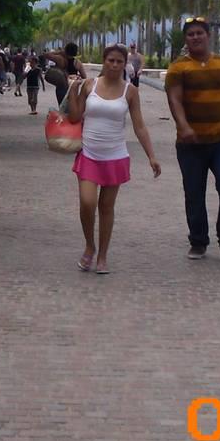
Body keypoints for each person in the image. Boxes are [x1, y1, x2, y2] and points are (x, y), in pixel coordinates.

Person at [64, 44, 160, 274]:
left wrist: (151, 156)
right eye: (111, 61)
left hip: (115, 155)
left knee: (106, 207)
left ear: (124, 64)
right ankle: (90, 245)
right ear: (104, 61)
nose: (115, 65)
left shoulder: (130, 91)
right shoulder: (89, 85)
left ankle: (103, 256)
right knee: (87, 203)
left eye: (119, 62)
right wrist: (74, 91)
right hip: (89, 153)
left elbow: (139, 126)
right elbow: (75, 117)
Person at [165, 17, 220, 263]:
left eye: (199, 33)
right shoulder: (177, 68)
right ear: (186, 39)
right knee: (194, 193)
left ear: (208, 36)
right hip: (190, 145)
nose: (195, 37)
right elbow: (175, 101)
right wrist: (183, 127)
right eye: (190, 34)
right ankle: (198, 241)